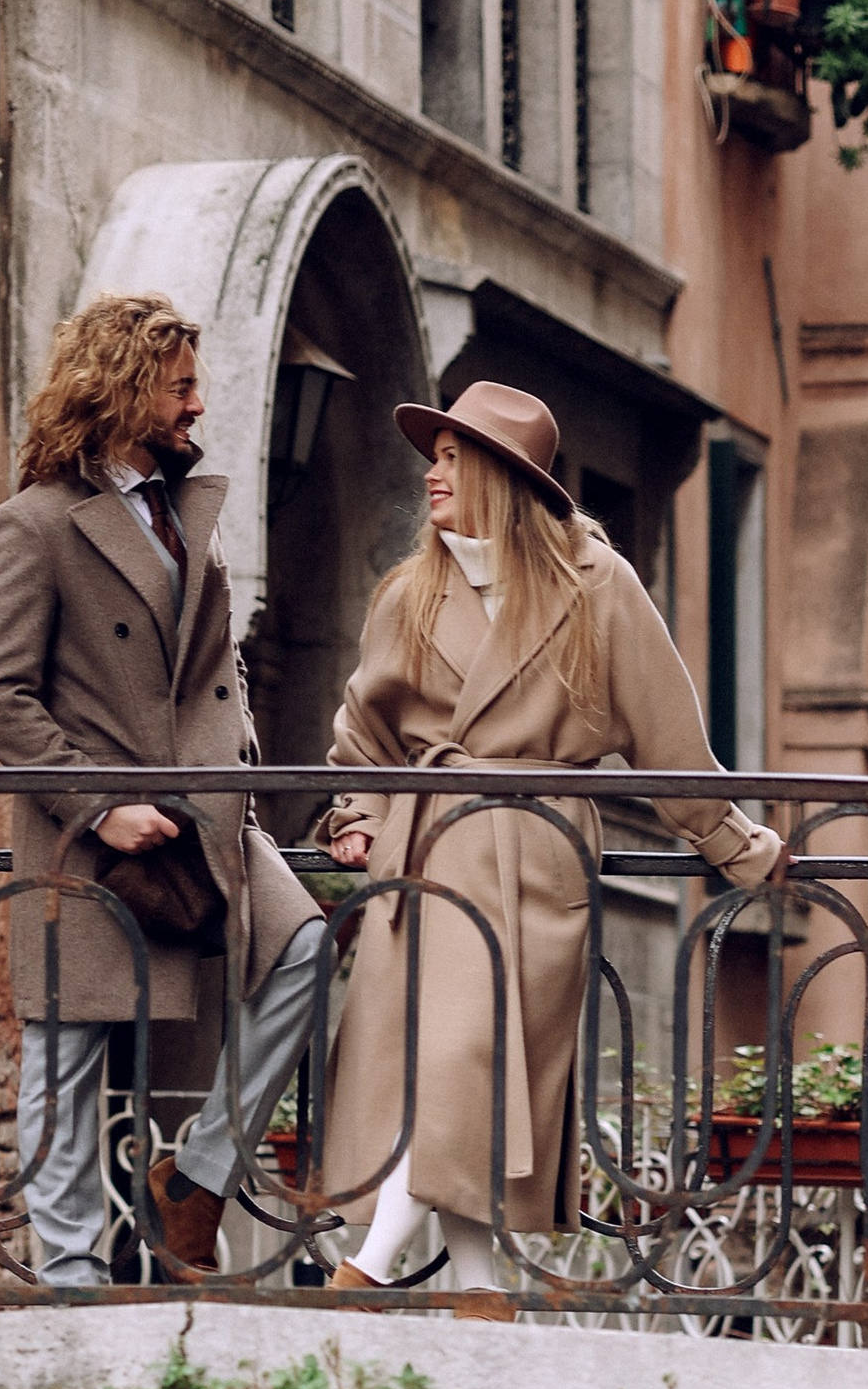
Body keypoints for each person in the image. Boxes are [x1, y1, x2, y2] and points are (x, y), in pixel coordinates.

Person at [319, 383, 785, 1309]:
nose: (432, 472)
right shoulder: (409, 594)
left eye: (453, 457)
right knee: (445, 1076)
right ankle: (480, 1294)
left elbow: (668, 740)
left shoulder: (597, 586)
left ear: (500, 473)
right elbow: (362, 737)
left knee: (463, 1070)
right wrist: (356, 815)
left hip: (534, 863)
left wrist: (738, 847)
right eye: (435, 455)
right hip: (428, 854)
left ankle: (363, 1277)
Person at [0, 293, 325, 1286]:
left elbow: (216, 663)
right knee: (68, 1048)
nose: (196, 407)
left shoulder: (178, 518)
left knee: (302, 949)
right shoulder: (33, 528)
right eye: (180, 388)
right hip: (95, 827)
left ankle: (196, 1173)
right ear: (121, 389)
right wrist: (97, 805)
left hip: (206, 813)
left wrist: (240, 752)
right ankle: (73, 1278)